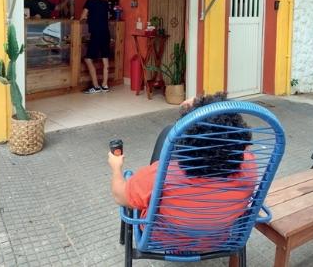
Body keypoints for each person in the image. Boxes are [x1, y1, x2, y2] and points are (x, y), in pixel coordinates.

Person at [107, 92, 257, 232]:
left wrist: (116, 167)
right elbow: (240, 143)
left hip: (162, 237)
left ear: (183, 144)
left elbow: (119, 196)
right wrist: (205, 108)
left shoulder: (160, 176)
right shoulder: (250, 168)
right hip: (218, 238)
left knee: (168, 132)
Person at [80, 0, 110, 94]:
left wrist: (89, 18)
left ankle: (96, 86)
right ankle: (105, 85)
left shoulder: (90, 2)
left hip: (96, 34)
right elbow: (106, 16)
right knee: (105, 59)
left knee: (88, 59)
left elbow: (82, 16)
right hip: (106, 34)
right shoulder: (105, 3)